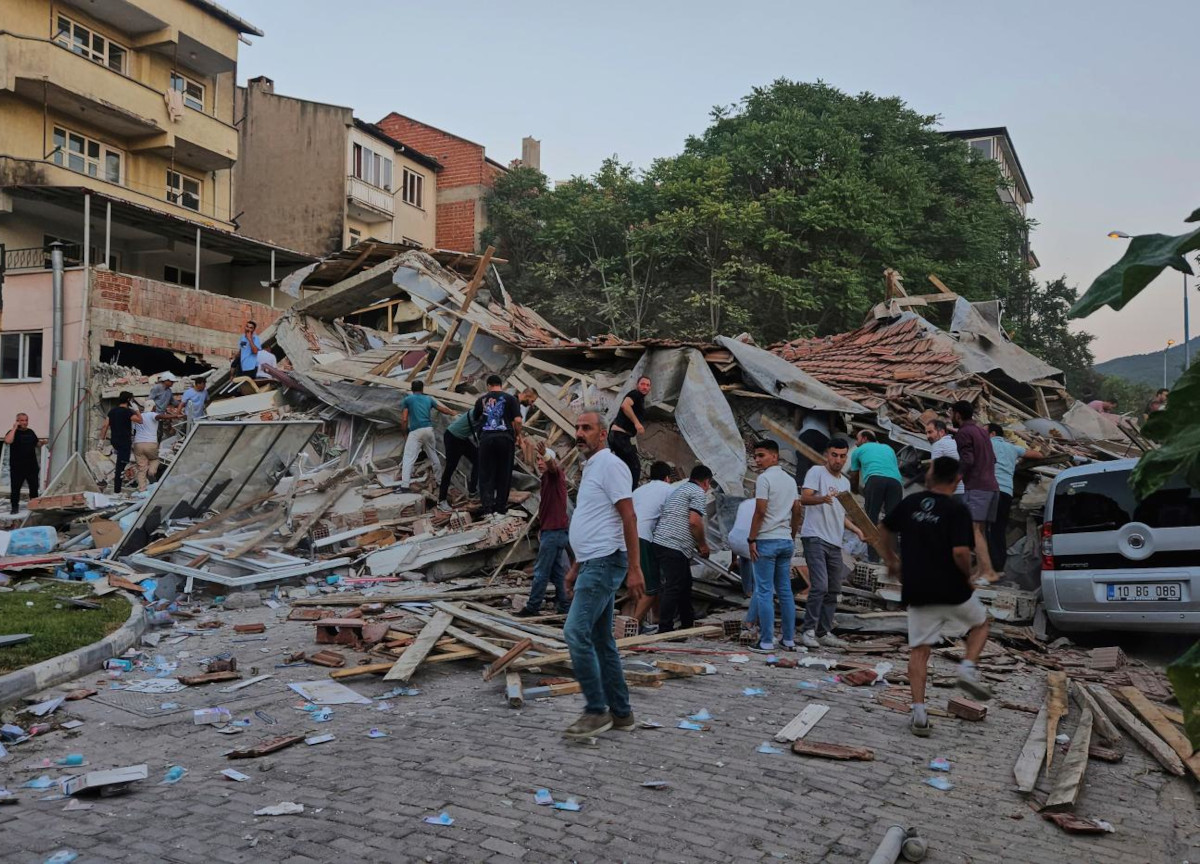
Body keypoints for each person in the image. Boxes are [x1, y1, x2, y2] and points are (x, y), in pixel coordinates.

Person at [880, 456, 993, 737]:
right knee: (980, 626)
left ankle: (919, 713)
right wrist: (967, 575)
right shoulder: (958, 509)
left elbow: (884, 528)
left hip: (918, 589)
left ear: (930, 477)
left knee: (919, 652)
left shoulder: (910, 504)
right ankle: (967, 669)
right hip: (952, 589)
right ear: (957, 481)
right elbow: (960, 552)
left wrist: (892, 560)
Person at [562, 411, 644, 740]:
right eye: (577, 427)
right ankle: (622, 714)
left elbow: (629, 517)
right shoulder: (591, 467)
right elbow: (597, 523)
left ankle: (596, 711)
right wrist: (575, 567)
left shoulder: (611, 466)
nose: (580, 433)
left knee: (574, 633)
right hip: (592, 561)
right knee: (602, 641)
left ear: (602, 434)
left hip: (605, 563)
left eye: (587, 428)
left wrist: (635, 569)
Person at [798, 438, 865, 649]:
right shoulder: (816, 472)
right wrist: (822, 498)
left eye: (842, 456)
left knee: (834, 589)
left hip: (835, 542)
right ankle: (807, 631)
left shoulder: (844, 483)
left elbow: (840, 514)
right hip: (815, 537)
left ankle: (823, 632)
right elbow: (804, 498)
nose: (838, 460)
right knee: (819, 586)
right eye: (834, 455)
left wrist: (855, 529)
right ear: (827, 454)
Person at [746, 440, 802, 652]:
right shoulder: (790, 480)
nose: (757, 460)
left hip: (766, 540)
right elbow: (797, 511)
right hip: (785, 540)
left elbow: (760, 512)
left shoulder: (764, 479)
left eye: (761, 455)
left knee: (764, 591)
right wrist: (792, 534)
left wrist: (751, 539)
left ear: (774, 456)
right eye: (756, 456)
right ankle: (788, 639)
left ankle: (766, 641)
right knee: (786, 592)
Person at [651, 464, 713, 634]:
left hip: (663, 541)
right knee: (674, 586)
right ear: (706, 482)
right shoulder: (698, 492)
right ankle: (665, 628)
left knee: (685, 584)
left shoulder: (680, 489)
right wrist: (702, 544)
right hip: (673, 544)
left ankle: (687, 623)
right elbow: (694, 521)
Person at [515, 445, 571, 617]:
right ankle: (565, 605)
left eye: (542, 459)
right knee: (557, 571)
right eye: (538, 459)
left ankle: (532, 607)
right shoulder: (546, 480)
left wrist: (546, 455)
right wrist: (542, 528)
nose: (539, 462)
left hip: (554, 532)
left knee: (541, 571)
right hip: (553, 531)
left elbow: (554, 466)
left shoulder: (555, 475)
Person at [950, 401, 1000, 583]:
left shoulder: (963, 433)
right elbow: (993, 459)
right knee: (980, 530)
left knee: (974, 530)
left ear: (957, 415)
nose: (950, 417)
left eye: (951, 413)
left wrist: (955, 480)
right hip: (993, 487)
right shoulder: (982, 432)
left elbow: (967, 460)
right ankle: (980, 572)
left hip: (978, 487)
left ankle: (988, 572)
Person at [986, 424, 1042, 573]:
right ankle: (999, 567)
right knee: (998, 530)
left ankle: (986, 567)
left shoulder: (986, 443)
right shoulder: (1012, 448)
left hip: (990, 491)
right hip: (1006, 493)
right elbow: (1038, 455)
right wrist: (1017, 462)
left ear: (991, 433)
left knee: (983, 529)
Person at [626, 461, 674, 632]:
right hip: (643, 537)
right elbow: (672, 519)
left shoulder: (638, 491)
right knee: (651, 587)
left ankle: (656, 619)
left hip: (626, 536)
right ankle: (632, 626)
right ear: (667, 478)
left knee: (642, 582)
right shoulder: (669, 490)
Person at [472, 375, 522, 516]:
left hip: (487, 439)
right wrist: (518, 435)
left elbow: (475, 418)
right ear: (501, 385)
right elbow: (518, 420)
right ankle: (500, 507)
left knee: (486, 473)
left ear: (488, 385)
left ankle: (487, 508)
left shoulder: (481, 400)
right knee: (504, 473)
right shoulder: (511, 399)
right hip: (505, 439)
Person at [849, 430, 903, 559]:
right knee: (893, 521)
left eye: (857, 439)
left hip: (875, 480)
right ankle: (893, 559)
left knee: (870, 520)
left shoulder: (858, 451)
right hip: (896, 483)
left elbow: (854, 475)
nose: (856, 443)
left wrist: (855, 490)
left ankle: (873, 558)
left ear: (864, 438)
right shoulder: (888, 448)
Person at [399, 381, 454, 491]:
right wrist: (453, 413)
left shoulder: (407, 400)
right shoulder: (428, 399)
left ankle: (404, 486)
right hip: (429, 430)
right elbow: (442, 409)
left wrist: (404, 433)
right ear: (422, 389)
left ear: (412, 389)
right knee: (433, 456)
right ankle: (439, 481)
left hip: (416, 431)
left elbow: (404, 419)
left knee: (408, 458)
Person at [608, 375, 651, 490]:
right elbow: (625, 406)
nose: (645, 387)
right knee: (635, 467)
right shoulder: (635, 394)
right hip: (619, 436)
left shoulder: (640, 399)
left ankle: (618, 490)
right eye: (642, 384)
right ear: (637, 385)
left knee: (622, 466)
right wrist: (637, 423)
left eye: (647, 385)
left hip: (618, 436)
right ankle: (631, 495)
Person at [97, 392, 141, 494]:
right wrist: (136, 410)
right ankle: (117, 490)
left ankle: (116, 482)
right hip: (124, 442)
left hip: (115, 441)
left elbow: (105, 426)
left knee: (121, 463)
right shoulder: (128, 412)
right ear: (129, 400)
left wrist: (101, 441)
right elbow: (140, 420)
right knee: (121, 466)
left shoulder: (112, 411)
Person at [437, 409, 479, 513]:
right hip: (452, 437)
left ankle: (472, 491)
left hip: (463, 438)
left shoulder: (486, 412)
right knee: (450, 468)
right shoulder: (481, 412)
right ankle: (441, 500)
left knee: (478, 460)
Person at [727, 497, 758, 633]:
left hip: (734, 540)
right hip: (749, 542)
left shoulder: (745, 503)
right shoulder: (765, 504)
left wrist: (734, 559)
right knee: (757, 560)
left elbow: (738, 528)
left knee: (745, 559)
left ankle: (748, 591)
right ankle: (755, 593)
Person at [132, 403, 180, 491]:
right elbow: (160, 416)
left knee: (141, 468)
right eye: (155, 407)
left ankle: (142, 489)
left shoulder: (138, 417)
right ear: (152, 407)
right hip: (150, 443)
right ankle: (151, 472)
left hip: (138, 444)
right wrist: (175, 416)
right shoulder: (152, 414)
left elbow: (134, 432)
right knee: (155, 459)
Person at [5, 413, 44, 514]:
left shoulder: (30, 432)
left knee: (34, 487)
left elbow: (36, 443)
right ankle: (14, 507)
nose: (25, 422)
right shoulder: (12, 432)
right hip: (17, 467)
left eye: (26, 420)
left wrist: (42, 443)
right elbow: (8, 441)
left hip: (31, 466)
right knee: (15, 488)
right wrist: (14, 428)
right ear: (17, 421)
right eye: (22, 420)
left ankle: (34, 507)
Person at [925, 419, 964, 496]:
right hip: (963, 489)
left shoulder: (938, 444)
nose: (927, 436)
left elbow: (934, 470)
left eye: (930, 432)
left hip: (952, 491)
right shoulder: (954, 442)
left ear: (942, 432)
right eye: (926, 433)